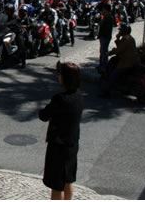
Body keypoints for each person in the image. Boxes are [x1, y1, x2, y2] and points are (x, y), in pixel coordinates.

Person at [39, 62, 84, 200]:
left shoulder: (60, 99)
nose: (58, 76)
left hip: (58, 146)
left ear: (65, 78)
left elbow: (44, 115)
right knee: (68, 179)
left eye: (60, 74)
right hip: (72, 144)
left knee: (56, 185)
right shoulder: (79, 95)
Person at [101, 23, 139, 97]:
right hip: (134, 61)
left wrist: (108, 53)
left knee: (113, 76)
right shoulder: (130, 38)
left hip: (126, 62)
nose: (119, 31)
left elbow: (118, 50)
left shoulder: (126, 39)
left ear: (124, 31)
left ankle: (106, 92)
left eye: (121, 30)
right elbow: (121, 48)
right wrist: (118, 39)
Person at [98, 3, 114, 73]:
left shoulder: (108, 17)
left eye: (103, 9)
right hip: (104, 36)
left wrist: (101, 21)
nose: (102, 10)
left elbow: (105, 28)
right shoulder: (105, 16)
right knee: (102, 51)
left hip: (105, 37)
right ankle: (101, 65)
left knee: (104, 52)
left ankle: (104, 67)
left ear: (106, 10)